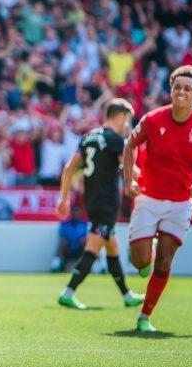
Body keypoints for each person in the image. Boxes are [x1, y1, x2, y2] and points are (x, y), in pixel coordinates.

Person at [123, 66, 192, 333]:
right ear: (171, 89)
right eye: (177, 86)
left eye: (187, 88)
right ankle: (147, 253)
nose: (181, 92)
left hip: (179, 203)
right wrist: (129, 181)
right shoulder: (153, 119)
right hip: (148, 197)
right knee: (141, 261)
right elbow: (129, 145)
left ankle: (145, 317)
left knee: (165, 262)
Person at [56, 98, 144, 309]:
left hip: (92, 201)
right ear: (121, 117)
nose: (128, 126)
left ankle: (126, 295)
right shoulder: (116, 140)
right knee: (93, 249)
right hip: (106, 203)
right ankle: (68, 292)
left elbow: (69, 168)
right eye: (127, 121)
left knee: (112, 247)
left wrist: (64, 198)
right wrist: (143, 177)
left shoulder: (88, 137)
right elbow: (129, 169)